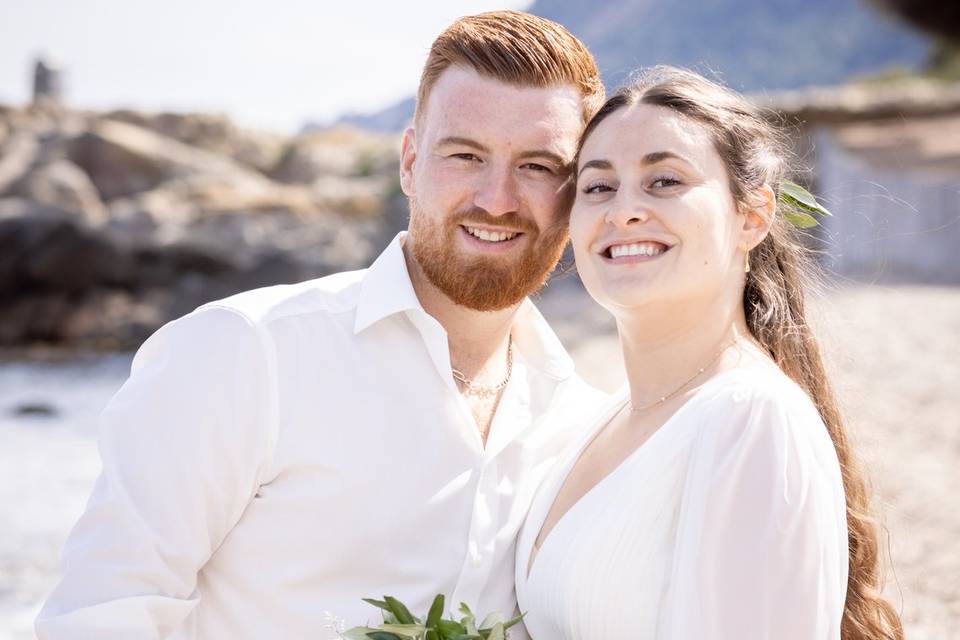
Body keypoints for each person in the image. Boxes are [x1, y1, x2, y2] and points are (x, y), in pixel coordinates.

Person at [36, 12, 606, 639]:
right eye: (466, 155)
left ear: (579, 190)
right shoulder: (245, 352)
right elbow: (101, 616)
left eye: (538, 166)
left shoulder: (584, 423)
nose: (497, 199)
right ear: (410, 162)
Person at [515, 66, 903, 640]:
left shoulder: (751, 420)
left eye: (665, 181)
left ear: (751, 217)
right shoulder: (601, 420)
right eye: (598, 186)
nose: (623, 210)